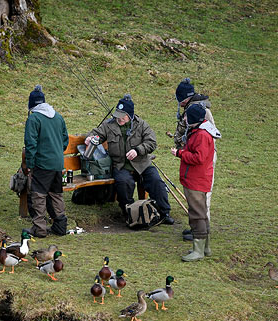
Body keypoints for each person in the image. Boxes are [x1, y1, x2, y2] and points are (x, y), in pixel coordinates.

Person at [85, 95, 174, 225]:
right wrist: (90, 137)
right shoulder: (108, 125)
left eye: (123, 116)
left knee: (156, 182)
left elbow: (152, 142)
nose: (119, 118)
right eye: (117, 115)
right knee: (124, 183)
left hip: (142, 164)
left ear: (130, 115)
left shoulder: (141, 125)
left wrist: (138, 150)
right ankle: (129, 214)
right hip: (121, 166)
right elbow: (96, 133)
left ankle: (163, 213)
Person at [171, 103, 221, 261]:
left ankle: (198, 250)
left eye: (187, 116)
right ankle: (205, 248)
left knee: (197, 214)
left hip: (196, 181)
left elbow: (198, 158)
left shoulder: (201, 135)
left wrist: (180, 153)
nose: (184, 118)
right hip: (198, 179)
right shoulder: (202, 131)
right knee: (202, 212)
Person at [172, 78, 216, 240]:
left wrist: (181, 152)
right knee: (195, 198)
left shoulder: (199, 111)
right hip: (196, 154)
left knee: (200, 197)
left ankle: (201, 232)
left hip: (202, 159)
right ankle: (198, 229)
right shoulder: (195, 107)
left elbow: (201, 151)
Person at [23, 85, 69, 238]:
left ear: (32, 105)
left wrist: (30, 164)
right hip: (58, 164)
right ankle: (60, 227)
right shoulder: (58, 116)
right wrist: (56, 153)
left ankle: (39, 228)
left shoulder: (34, 118)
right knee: (56, 195)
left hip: (42, 164)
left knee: (38, 195)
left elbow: (31, 144)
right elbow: (64, 141)